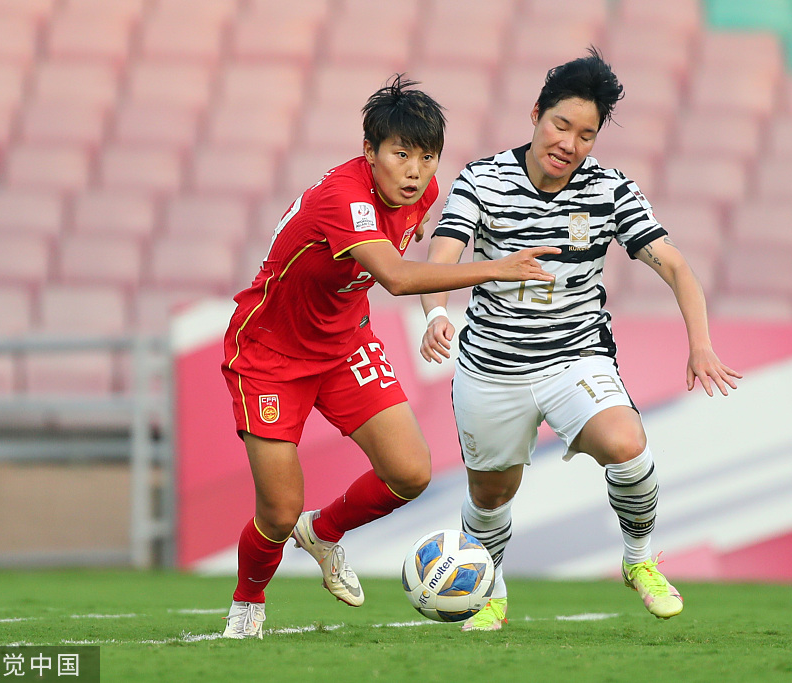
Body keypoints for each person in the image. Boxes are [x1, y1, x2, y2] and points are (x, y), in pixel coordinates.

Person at [220, 76, 559, 639]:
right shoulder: (343, 197)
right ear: (369, 152)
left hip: (344, 342)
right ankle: (248, 602)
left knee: (410, 471)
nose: (416, 172)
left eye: (427, 158)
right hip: (270, 352)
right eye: (401, 155)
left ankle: (325, 533)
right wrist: (496, 267)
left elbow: (414, 228)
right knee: (278, 513)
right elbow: (398, 277)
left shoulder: (417, 193)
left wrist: (433, 298)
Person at [419, 49, 742, 632]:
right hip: (492, 366)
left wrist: (701, 344)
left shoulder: (609, 190)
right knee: (492, 496)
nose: (569, 143)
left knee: (627, 444)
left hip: (574, 356)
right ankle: (488, 589)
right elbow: (442, 256)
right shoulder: (483, 179)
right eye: (561, 125)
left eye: (585, 135)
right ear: (536, 115)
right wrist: (434, 314)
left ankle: (640, 559)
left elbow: (674, 266)